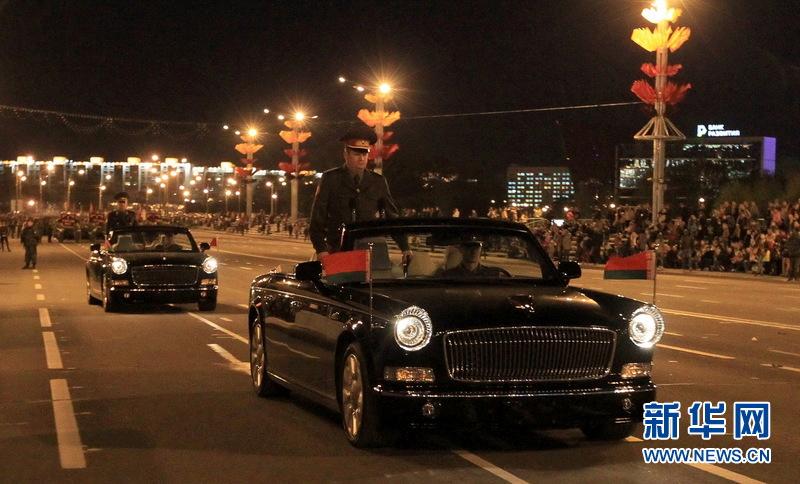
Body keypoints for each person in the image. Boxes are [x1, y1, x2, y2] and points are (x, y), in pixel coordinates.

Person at [310, 126, 411, 260]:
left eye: (365, 154)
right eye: (356, 154)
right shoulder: (331, 179)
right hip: (338, 250)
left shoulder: (378, 181)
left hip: (370, 251)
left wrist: (405, 247)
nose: (362, 158)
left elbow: (391, 217)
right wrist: (321, 250)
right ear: (345, 154)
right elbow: (317, 220)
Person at [439, 241, 508, 278]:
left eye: (476, 247)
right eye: (469, 247)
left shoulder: (492, 275)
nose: (473, 251)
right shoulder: (448, 276)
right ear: (461, 249)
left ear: (480, 249)